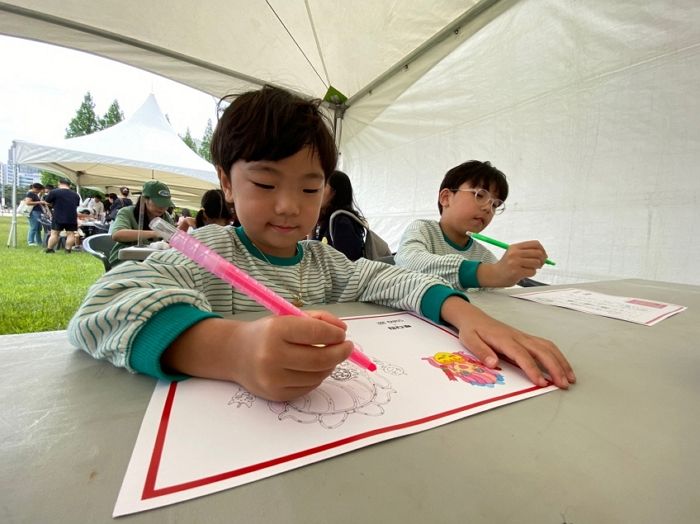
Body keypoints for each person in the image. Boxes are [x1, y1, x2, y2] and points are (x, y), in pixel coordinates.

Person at [68, 85, 575, 403]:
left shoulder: (323, 261)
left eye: (310, 188)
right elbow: (103, 307)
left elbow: (388, 274)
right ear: (225, 183)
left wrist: (468, 316)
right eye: (265, 184)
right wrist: (232, 351)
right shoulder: (208, 251)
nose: (290, 205)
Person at [395, 160, 550, 289]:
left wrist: (511, 272)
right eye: (480, 195)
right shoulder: (423, 230)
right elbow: (408, 262)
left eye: (495, 205)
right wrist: (490, 274)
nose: (487, 208)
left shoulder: (483, 256)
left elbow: (497, 293)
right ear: (445, 198)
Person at [107, 180, 175, 267]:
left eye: (165, 204)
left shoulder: (166, 217)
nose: (162, 208)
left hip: (153, 262)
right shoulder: (127, 212)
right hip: (125, 263)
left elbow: (174, 238)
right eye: (158, 203)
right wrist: (155, 233)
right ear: (145, 199)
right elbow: (117, 235)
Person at [312, 170, 366, 261]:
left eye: (324, 185)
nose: (318, 190)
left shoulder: (342, 222)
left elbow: (347, 263)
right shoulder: (327, 220)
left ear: (334, 192)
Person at [44, 178, 81, 253]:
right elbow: (76, 205)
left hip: (58, 215)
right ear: (69, 185)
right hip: (71, 216)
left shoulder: (54, 192)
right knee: (71, 234)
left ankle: (50, 249)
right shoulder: (75, 194)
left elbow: (47, 202)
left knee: (55, 233)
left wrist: (54, 204)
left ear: (59, 183)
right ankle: (68, 250)